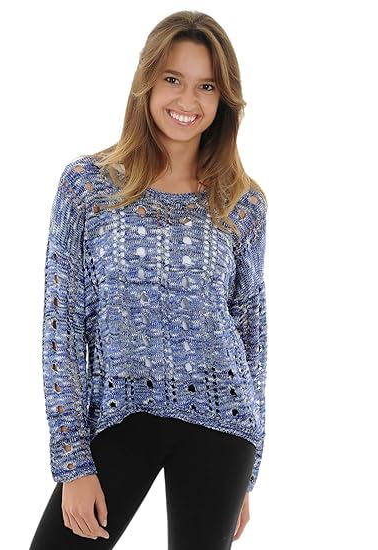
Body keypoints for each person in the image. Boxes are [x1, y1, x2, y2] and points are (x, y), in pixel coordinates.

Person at [29, 9, 268, 550]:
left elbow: (251, 333)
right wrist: (73, 463)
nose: (188, 100)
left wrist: (247, 477)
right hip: (120, 413)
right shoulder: (87, 186)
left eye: (207, 86)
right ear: (147, 82)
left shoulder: (243, 202)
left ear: (224, 99)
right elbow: (61, 327)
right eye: (173, 79)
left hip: (221, 423)